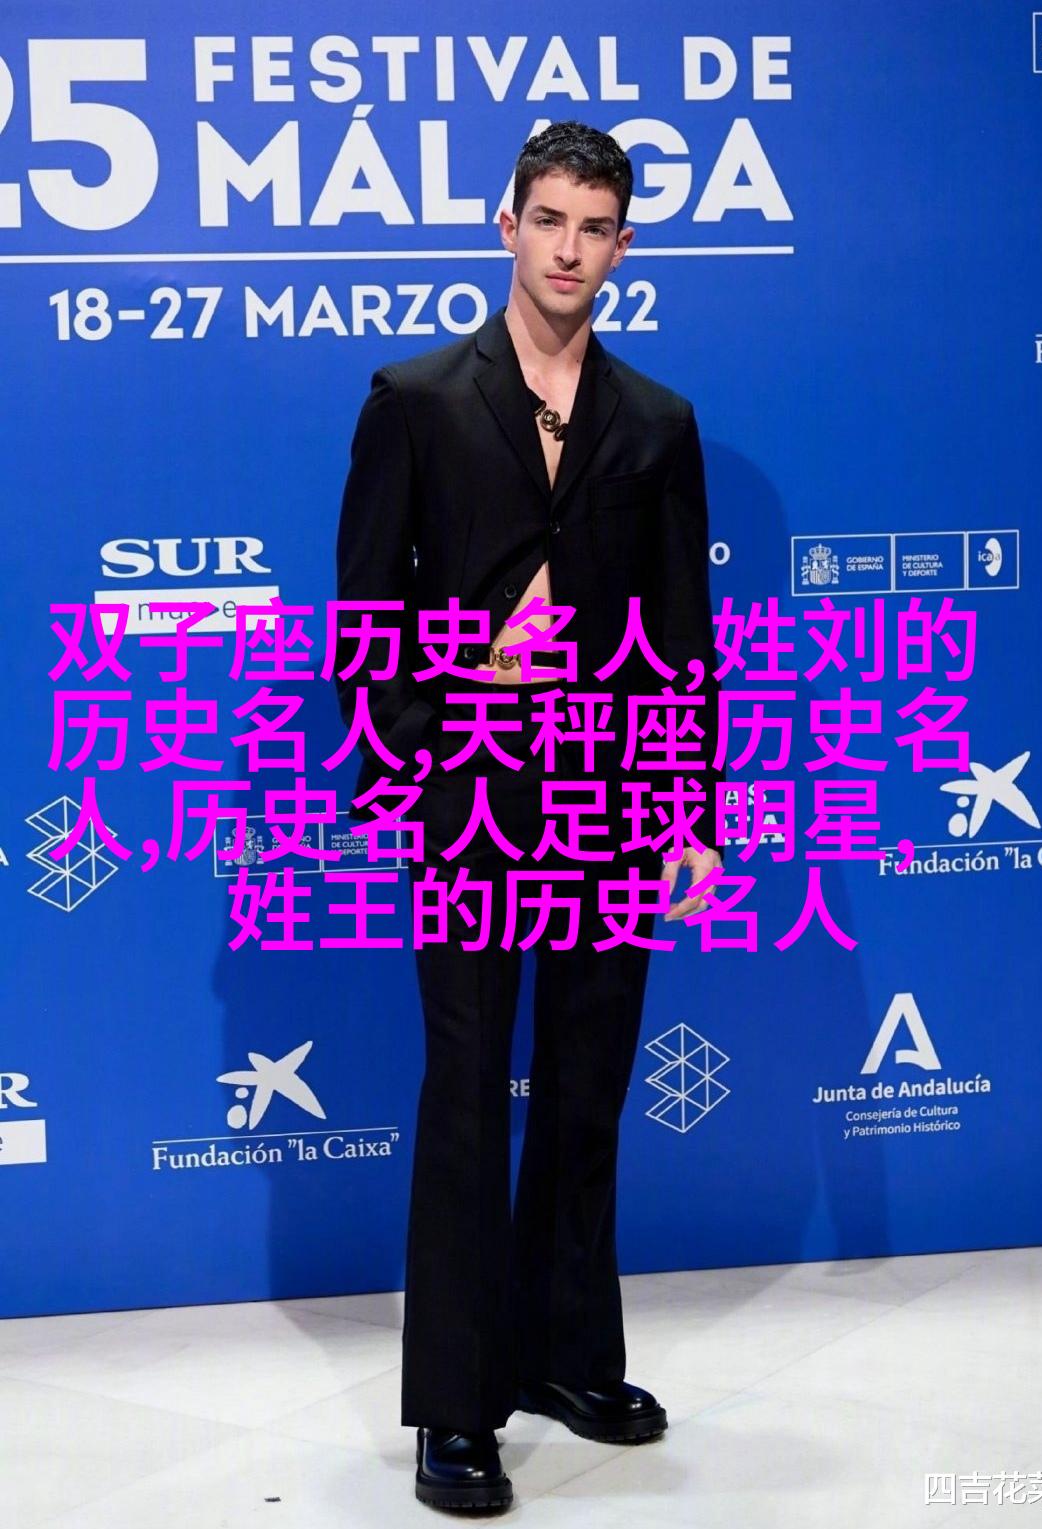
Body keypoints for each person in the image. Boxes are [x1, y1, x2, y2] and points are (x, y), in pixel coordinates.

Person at [334, 120, 723, 1512]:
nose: (569, 248)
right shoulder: (418, 398)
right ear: (507, 226)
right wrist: (423, 757)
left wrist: (690, 814)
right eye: (548, 219)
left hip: (616, 793)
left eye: (594, 226)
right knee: (464, 1087)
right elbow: (364, 616)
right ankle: (454, 1404)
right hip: (470, 791)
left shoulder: (658, 422)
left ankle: (566, 1357)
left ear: (624, 244)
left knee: (587, 1081)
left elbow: (683, 638)